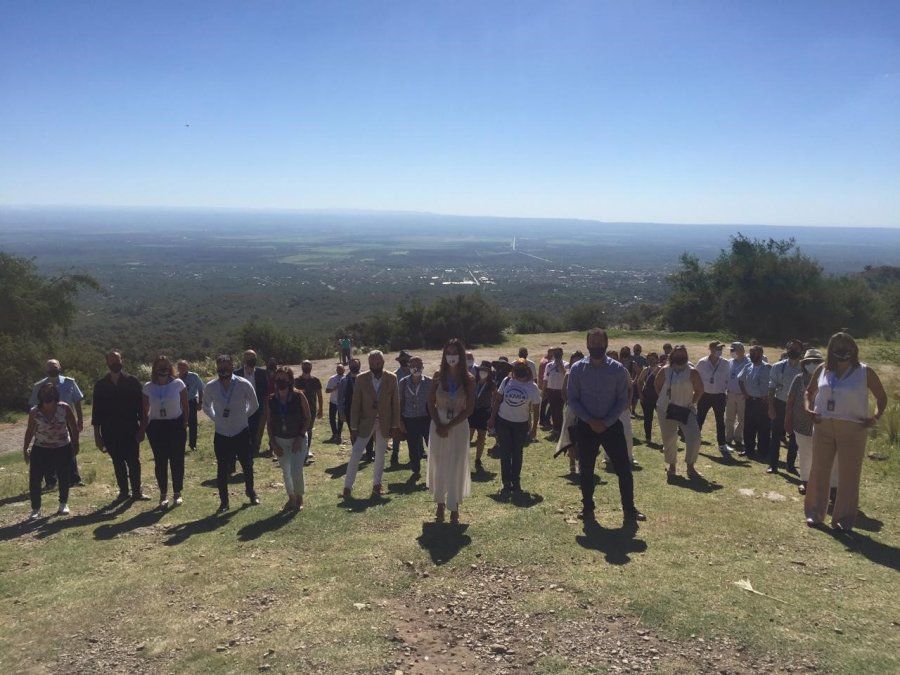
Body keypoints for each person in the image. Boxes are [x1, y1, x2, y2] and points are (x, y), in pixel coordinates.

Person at [804, 332, 888, 532]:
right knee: (819, 471)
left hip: (853, 429)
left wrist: (875, 417)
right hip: (823, 426)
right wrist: (808, 407)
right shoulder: (822, 369)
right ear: (831, 349)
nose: (842, 351)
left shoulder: (864, 372)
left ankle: (844, 518)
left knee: (849, 475)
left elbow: (882, 397)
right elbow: (809, 392)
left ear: (854, 349)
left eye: (846, 346)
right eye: (837, 347)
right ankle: (815, 513)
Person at [567, 329, 646, 523]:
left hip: (612, 425)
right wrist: (590, 420)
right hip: (586, 426)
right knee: (586, 470)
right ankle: (587, 509)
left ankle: (629, 509)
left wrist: (606, 422)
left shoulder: (618, 369)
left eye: (599, 342)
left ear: (606, 343)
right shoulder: (577, 369)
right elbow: (573, 399)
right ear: (587, 345)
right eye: (592, 342)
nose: (596, 345)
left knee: (623, 470)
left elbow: (622, 399)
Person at [202, 354, 261, 511]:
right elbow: (206, 406)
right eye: (220, 367)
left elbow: (254, 405)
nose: (223, 370)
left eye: (226, 367)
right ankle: (224, 502)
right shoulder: (211, 386)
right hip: (221, 433)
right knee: (222, 468)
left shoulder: (243, 384)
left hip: (241, 431)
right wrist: (216, 418)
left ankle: (251, 492)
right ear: (217, 368)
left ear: (232, 366)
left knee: (247, 465)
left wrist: (243, 416)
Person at [427, 339, 475, 523]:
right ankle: (439, 504)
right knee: (439, 464)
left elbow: (469, 409)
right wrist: (439, 423)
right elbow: (430, 402)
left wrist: (449, 425)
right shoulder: (438, 375)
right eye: (448, 352)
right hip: (438, 424)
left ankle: (454, 506)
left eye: (455, 353)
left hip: (458, 425)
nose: (451, 356)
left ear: (461, 356)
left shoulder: (468, 379)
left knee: (456, 464)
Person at [92, 350, 149, 501]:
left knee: (133, 461)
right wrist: (97, 435)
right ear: (107, 363)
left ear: (122, 361)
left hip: (130, 429)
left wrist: (142, 429)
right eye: (111, 360)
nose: (115, 363)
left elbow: (143, 408)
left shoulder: (132, 381)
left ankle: (137, 492)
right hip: (110, 431)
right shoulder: (100, 385)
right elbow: (96, 412)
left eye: (117, 359)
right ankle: (124, 492)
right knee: (118, 463)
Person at [343, 351, 401, 499]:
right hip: (365, 423)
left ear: (383, 362)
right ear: (368, 363)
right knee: (356, 454)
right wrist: (353, 428)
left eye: (378, 362)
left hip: (385, 422)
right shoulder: (361, 379)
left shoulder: (392, 378)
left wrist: (395, 426)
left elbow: (396, 404)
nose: (376, 365)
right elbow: (355, 404)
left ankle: (377, 485)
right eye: (373, 363)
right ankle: (347, 488)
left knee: (380, 455)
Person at [23, 381, 79, 519]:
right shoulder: (34, 412)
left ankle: (63, 504)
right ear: (40, 395)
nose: (47, 396)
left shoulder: (64, 408)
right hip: (41, 448)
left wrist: (76, 444)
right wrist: (25, 448)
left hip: (62, 447)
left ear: (55, 394)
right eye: (44, 393)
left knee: (63, 476)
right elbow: (30, 430)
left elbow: (73, 426)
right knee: (35, 479)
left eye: (50, 393)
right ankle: (36, 508)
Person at [785, 349, 837, 495]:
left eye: (816, 362)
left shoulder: (830, 380)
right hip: (801, 425)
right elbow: (790, 401)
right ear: (804, 364)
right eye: (809, 362)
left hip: (823, 425)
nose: (812, 365)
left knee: (827, 456)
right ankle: (806, 482)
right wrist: (787, 420)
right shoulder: (798, 379)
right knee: (805, 454)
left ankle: (832, 486)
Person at [29, 359, 85, 488]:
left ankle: (74, 478)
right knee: (48, 453)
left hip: (67, 422)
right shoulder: (39, 386)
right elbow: (34, 406)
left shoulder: (69, 383)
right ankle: (51, 481)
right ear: (45, 370)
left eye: (54, 366)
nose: (52, 369)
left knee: (70, 450)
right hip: (46, 425)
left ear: (60, 367)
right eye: (49, 367)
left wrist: (80, 420)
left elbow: (77, 401)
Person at [141, 356, 189, 508]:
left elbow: (185, 405)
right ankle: (163, 495)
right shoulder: (148, 387)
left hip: (175, 425)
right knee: (160, 462)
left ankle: (177, 492)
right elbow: (144, 410)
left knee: (177, 460)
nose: (163, 369)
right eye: (160, 366)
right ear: (154, 369)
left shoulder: (178, 384)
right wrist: (144, 428)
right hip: (156, 427)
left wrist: (185, 423)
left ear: (170, 368)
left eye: (166, 366)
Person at [490, 359, 541, 497]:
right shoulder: (507, 381)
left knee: (517, 453)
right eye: (516, 367)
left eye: (522, 367)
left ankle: (516, 481)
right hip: (503, 422)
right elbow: (498, 400)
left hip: (521, 425)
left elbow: (536, 409)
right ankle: (506, 483)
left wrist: (535, 427)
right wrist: (492, 418)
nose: (519, 370)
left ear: (528, 369)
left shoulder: (533, 387)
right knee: (505, 453)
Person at [654, 344, 704, 480]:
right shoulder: (665, 370)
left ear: (686, 355)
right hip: (666, 410)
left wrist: (691, 402)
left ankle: (690, 466)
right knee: (669, 439)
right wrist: (664, 398)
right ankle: (672, 466)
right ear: (672, 355)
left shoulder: (692, 372)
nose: (680, 356)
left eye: (682, 354)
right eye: (677, 354)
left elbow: (700, 389)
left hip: (686, 410)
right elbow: (657, 385)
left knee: (694, 437)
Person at [267, 366, 311, 510]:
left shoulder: (299, 396)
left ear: (290, 380)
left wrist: (300, 437)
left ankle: (299, 497)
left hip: (297, 439)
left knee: (296, 470)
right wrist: (272, 442)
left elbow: (307, 417)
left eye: (284, 379)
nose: (281, 381)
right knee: (286, 470)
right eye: (278, 379)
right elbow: (270, 423)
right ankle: (291, 498)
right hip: (280, 440)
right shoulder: (272, 399)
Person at [767, 339, 804, 475]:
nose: (793, 350)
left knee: (794, 437)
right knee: (776, 435)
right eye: (791, 348)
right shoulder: (778, 366)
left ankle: (790, 465)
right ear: (787, 350)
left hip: (797, 407)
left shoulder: (804, 368)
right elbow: (771, 388)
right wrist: (770, 406)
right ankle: (773, 465)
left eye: (796, 348)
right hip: (780, 403)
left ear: (801, 351)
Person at [695, 340, 731, 457]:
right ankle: (694, 441)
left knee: (720, 421)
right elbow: (696, 378)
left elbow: (728, 379)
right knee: (699, 419)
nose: (719, 351)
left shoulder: (725, 363)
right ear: (711, 349)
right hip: (705, 395)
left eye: (721, 349)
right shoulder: (702, 363)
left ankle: (722, 444)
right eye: (717, 349)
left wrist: (727, 394)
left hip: (719, 396)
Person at [399, 356, 431, 479]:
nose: (416, 367)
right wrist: (400, 420)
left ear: (423, 366)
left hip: (426, 418)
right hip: (409, 419)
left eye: (419, 364)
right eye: (413, 365)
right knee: (412, 447)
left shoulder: (429, 382)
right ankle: (416, 470)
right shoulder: (403, 382)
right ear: (409, 366)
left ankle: (433, 469)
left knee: (431, 445)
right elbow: (400, 401)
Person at [738, 345, 772, 460]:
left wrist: (768, 396)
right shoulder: (747, 366)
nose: (752, 355)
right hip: (750, 401)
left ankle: (763, 451)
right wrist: (744, 393)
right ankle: (749, 450)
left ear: (761, 354)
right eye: (751, 353)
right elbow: (740, 380)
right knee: (748, 427)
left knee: (763, 427)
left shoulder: (768, 368)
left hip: (763, 402)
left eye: (754, 353)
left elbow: (773, 385)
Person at [555, 350, 585, 475]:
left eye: (579, 359)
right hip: (571, 410)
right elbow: (563, 391)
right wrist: (569, 403)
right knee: (570, 436)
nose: (576, 361)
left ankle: (583, 464)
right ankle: (572, 464)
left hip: (584, 410)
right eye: (574, 359)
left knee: (583, 438)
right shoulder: (568, 374)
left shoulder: (586, 374)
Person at [339, 358, 374, 458]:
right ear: (349, 366)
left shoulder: (367, 378)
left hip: (366, 410)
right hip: (350, 411)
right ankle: (357, 453)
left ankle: (369, 453)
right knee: (353, 432)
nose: (354, 366)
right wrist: (341, 413)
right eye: (352, 364)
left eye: (356, 364)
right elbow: (340, 398)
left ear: (360, 365)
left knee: (368, 432)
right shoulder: (344, 380)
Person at [237, 350, 269, 456]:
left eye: (253, 357)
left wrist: (266, 407)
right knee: (244, 429)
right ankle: (244, 449)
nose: (251, 360)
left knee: (257, 428)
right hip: (242, 407)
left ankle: (254, 450)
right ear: (244, 359)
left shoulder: (262, 373)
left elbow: (266, 391)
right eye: (248, 357)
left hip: (258, 406)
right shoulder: (237, 374)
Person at [468, 360, 495, 472]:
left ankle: (478, 459)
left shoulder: (492, 384)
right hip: (472, 411)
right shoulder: (473, 381)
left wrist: (492, 413)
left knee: (481, 437)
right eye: (481, 370)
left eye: (485, 371)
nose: (483, 372)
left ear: (489, 372)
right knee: (468, 436)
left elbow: (496, 397)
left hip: (484, 412)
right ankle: (463, 458)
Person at [295, 360, 323, 460]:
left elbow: (319, 395)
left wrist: (321, 409)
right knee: (299, 429)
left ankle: (306, 450)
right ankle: (298, 449)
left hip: (311, 410)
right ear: (301, 366)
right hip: (298, 410)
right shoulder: (296, 381)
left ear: (311, 367)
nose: (307, 367)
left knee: (309, 430)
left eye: (308, 365)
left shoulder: (316, 380)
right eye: (305, 365)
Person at [725, 342, 749, 451]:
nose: (731, 352)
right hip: (730, 393)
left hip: (742, 395)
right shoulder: (729, 362)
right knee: (729, 417)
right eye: (731, 350)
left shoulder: (748, 363)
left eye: (733, 350)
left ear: (741, 351)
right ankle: (728, 438)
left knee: (742, 418)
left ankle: (738, 438)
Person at [176, 360, 204, 451]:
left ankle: (193, 445)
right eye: (180, 367)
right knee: (180, 424)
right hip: (178, 404)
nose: (182, 369)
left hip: (191, 402)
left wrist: (200, 402)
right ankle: (180, 444)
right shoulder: (175, 378)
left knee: (192, 424)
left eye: (184, 366)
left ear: (187, 367)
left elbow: (200, 389)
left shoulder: (194, 376)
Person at [390, 351, 413, 466]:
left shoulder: (414, 374)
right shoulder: (394, 375)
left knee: (413, 433)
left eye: (407, 359)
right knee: (397, 434)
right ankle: (394, 455)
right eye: (403, 360)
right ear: (399, 361)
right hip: (398, 407)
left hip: (411, 407)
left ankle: (415, 455)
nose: (405, 362)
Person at [635, 352, 661, 444]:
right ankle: (648, 438)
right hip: (647, 398)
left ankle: (666, 438)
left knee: (663, 418)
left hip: (659, 398)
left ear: (657, 359)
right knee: (648, 418)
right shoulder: (646, 370)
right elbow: (639, 382)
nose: (650, 361)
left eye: (652, 359)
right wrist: (641, 395)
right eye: (649, 359)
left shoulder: (662, 370)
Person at [543, 347, 567, 442]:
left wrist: (560, 365)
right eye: (555, 353)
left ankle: (561, 429)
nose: (557, 355)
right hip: (551, 390)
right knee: (553, 410)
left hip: (561, 391)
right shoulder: (549, 365)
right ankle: (555, 429)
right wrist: (544, 390)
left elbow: (566, 374)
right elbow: (545, 378)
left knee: (560, 411)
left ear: (562, 354)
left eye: (559, 353)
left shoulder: (566, 364)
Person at [325, 364, 345, 443]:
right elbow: (327, 391)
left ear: (344, 369)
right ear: (336, 370)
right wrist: (335, 388)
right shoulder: (332, 379)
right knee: (332, 418)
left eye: (341, 369)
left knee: (341, 419)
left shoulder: (346, 378)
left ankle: (339, 435)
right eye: (338, 369)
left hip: (342, 402)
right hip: (333, 402)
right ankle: (334, 434)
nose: (339, 370)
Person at [538, 348, 553, 429]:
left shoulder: (543, 359)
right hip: (547, 386)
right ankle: (546, 420)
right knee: (551, 403)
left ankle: (542, 420)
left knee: (544, 404)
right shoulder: (548, 362)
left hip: (542, 385)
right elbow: (547, 376)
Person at [631, 344, 647, 415]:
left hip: (638, 378)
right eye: (636, 349)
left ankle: (633, 410)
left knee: (636, 396)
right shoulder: (630, 357)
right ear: (633, 350)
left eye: (638, 350)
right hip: (630, 377)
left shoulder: (642, 358)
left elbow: (647, 365)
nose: (637, 351)